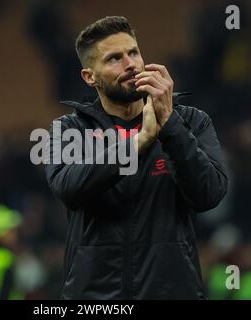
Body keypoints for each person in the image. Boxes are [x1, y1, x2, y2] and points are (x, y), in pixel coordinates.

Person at [45, 16, 228, 299]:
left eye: (133, 52)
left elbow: (209, 194)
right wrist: (138, 143)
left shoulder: (191, 120)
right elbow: (68, 189)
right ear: (89, 76)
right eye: (114, 58)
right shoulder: (70, 130)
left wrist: (170, 126)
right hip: (94, 298)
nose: (130, 64)